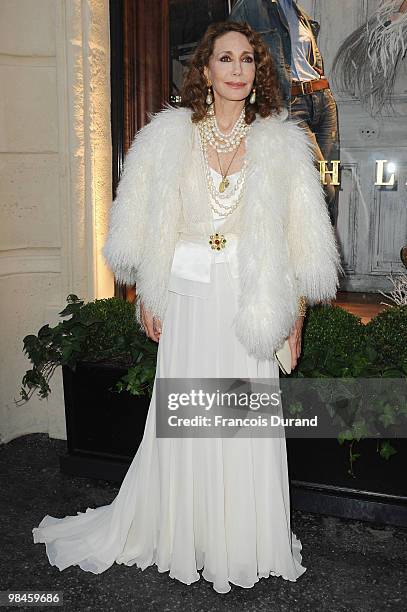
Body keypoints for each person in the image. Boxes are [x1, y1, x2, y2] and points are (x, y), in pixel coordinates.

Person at [32, 21, 342, 594]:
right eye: (225, 59)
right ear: (204, 70)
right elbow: (148, 225)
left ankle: (242, 538)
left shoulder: (282, 142)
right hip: (188, 296)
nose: (237, 70)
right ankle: (185, 529)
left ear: (258, 72)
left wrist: (294, 316)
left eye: (247, 60)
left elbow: (302, 243)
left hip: (251, 300)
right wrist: (147, 294)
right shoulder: (169, 137)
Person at [229, 0, 340, 225]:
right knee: (321, 187)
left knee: (331, 187)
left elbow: (307, 62)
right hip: (290, 103)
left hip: (321, 100)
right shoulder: (250, 7)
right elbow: (229, 53)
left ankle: (319, 255)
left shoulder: (300, 14)